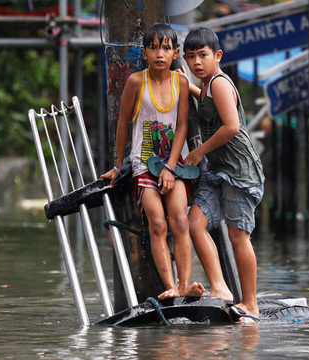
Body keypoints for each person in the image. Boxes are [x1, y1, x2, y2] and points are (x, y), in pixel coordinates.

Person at [101, 23, 205, 300]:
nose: (160, 54)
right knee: (157, 223)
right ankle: (170, 286)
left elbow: (182, 125)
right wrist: (117, 164)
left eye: (166, 48)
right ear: (144, 52)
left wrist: (171, 167)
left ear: (175, 54)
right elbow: (123, 123)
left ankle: (185, 286)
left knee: (180, 221)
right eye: (154, 48)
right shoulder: (136, 81)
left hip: (174, 164)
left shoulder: (180, 82)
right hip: (144, 164)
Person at [180, 27, 265, 322]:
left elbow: (231, 126)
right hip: (218, 173)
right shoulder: (204, 86)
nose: (196, 63)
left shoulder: (219, 83)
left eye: (202, 55)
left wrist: (199, 151)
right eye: (190, 57)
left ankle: (251, 303)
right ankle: (221, 287)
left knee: (238, 235)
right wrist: (184, 83)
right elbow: (203, 101)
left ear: (217, 56)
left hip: (239, 171)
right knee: (194, 222)